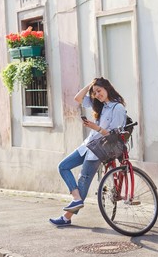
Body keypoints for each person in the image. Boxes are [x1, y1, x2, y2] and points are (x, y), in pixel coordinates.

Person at [49, 77, 127, 226]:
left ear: (107, 88)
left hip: (100, 149)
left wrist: (95, 127)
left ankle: (66, 217)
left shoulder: (117, 108)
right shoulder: (101, 105)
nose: (97, 94)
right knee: (63, 166)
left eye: (99, 90)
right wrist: (90, 85)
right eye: (95, 92)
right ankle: (76, 199)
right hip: (87, 146)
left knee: (83, 180)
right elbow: (77, 98)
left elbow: (113, 135)